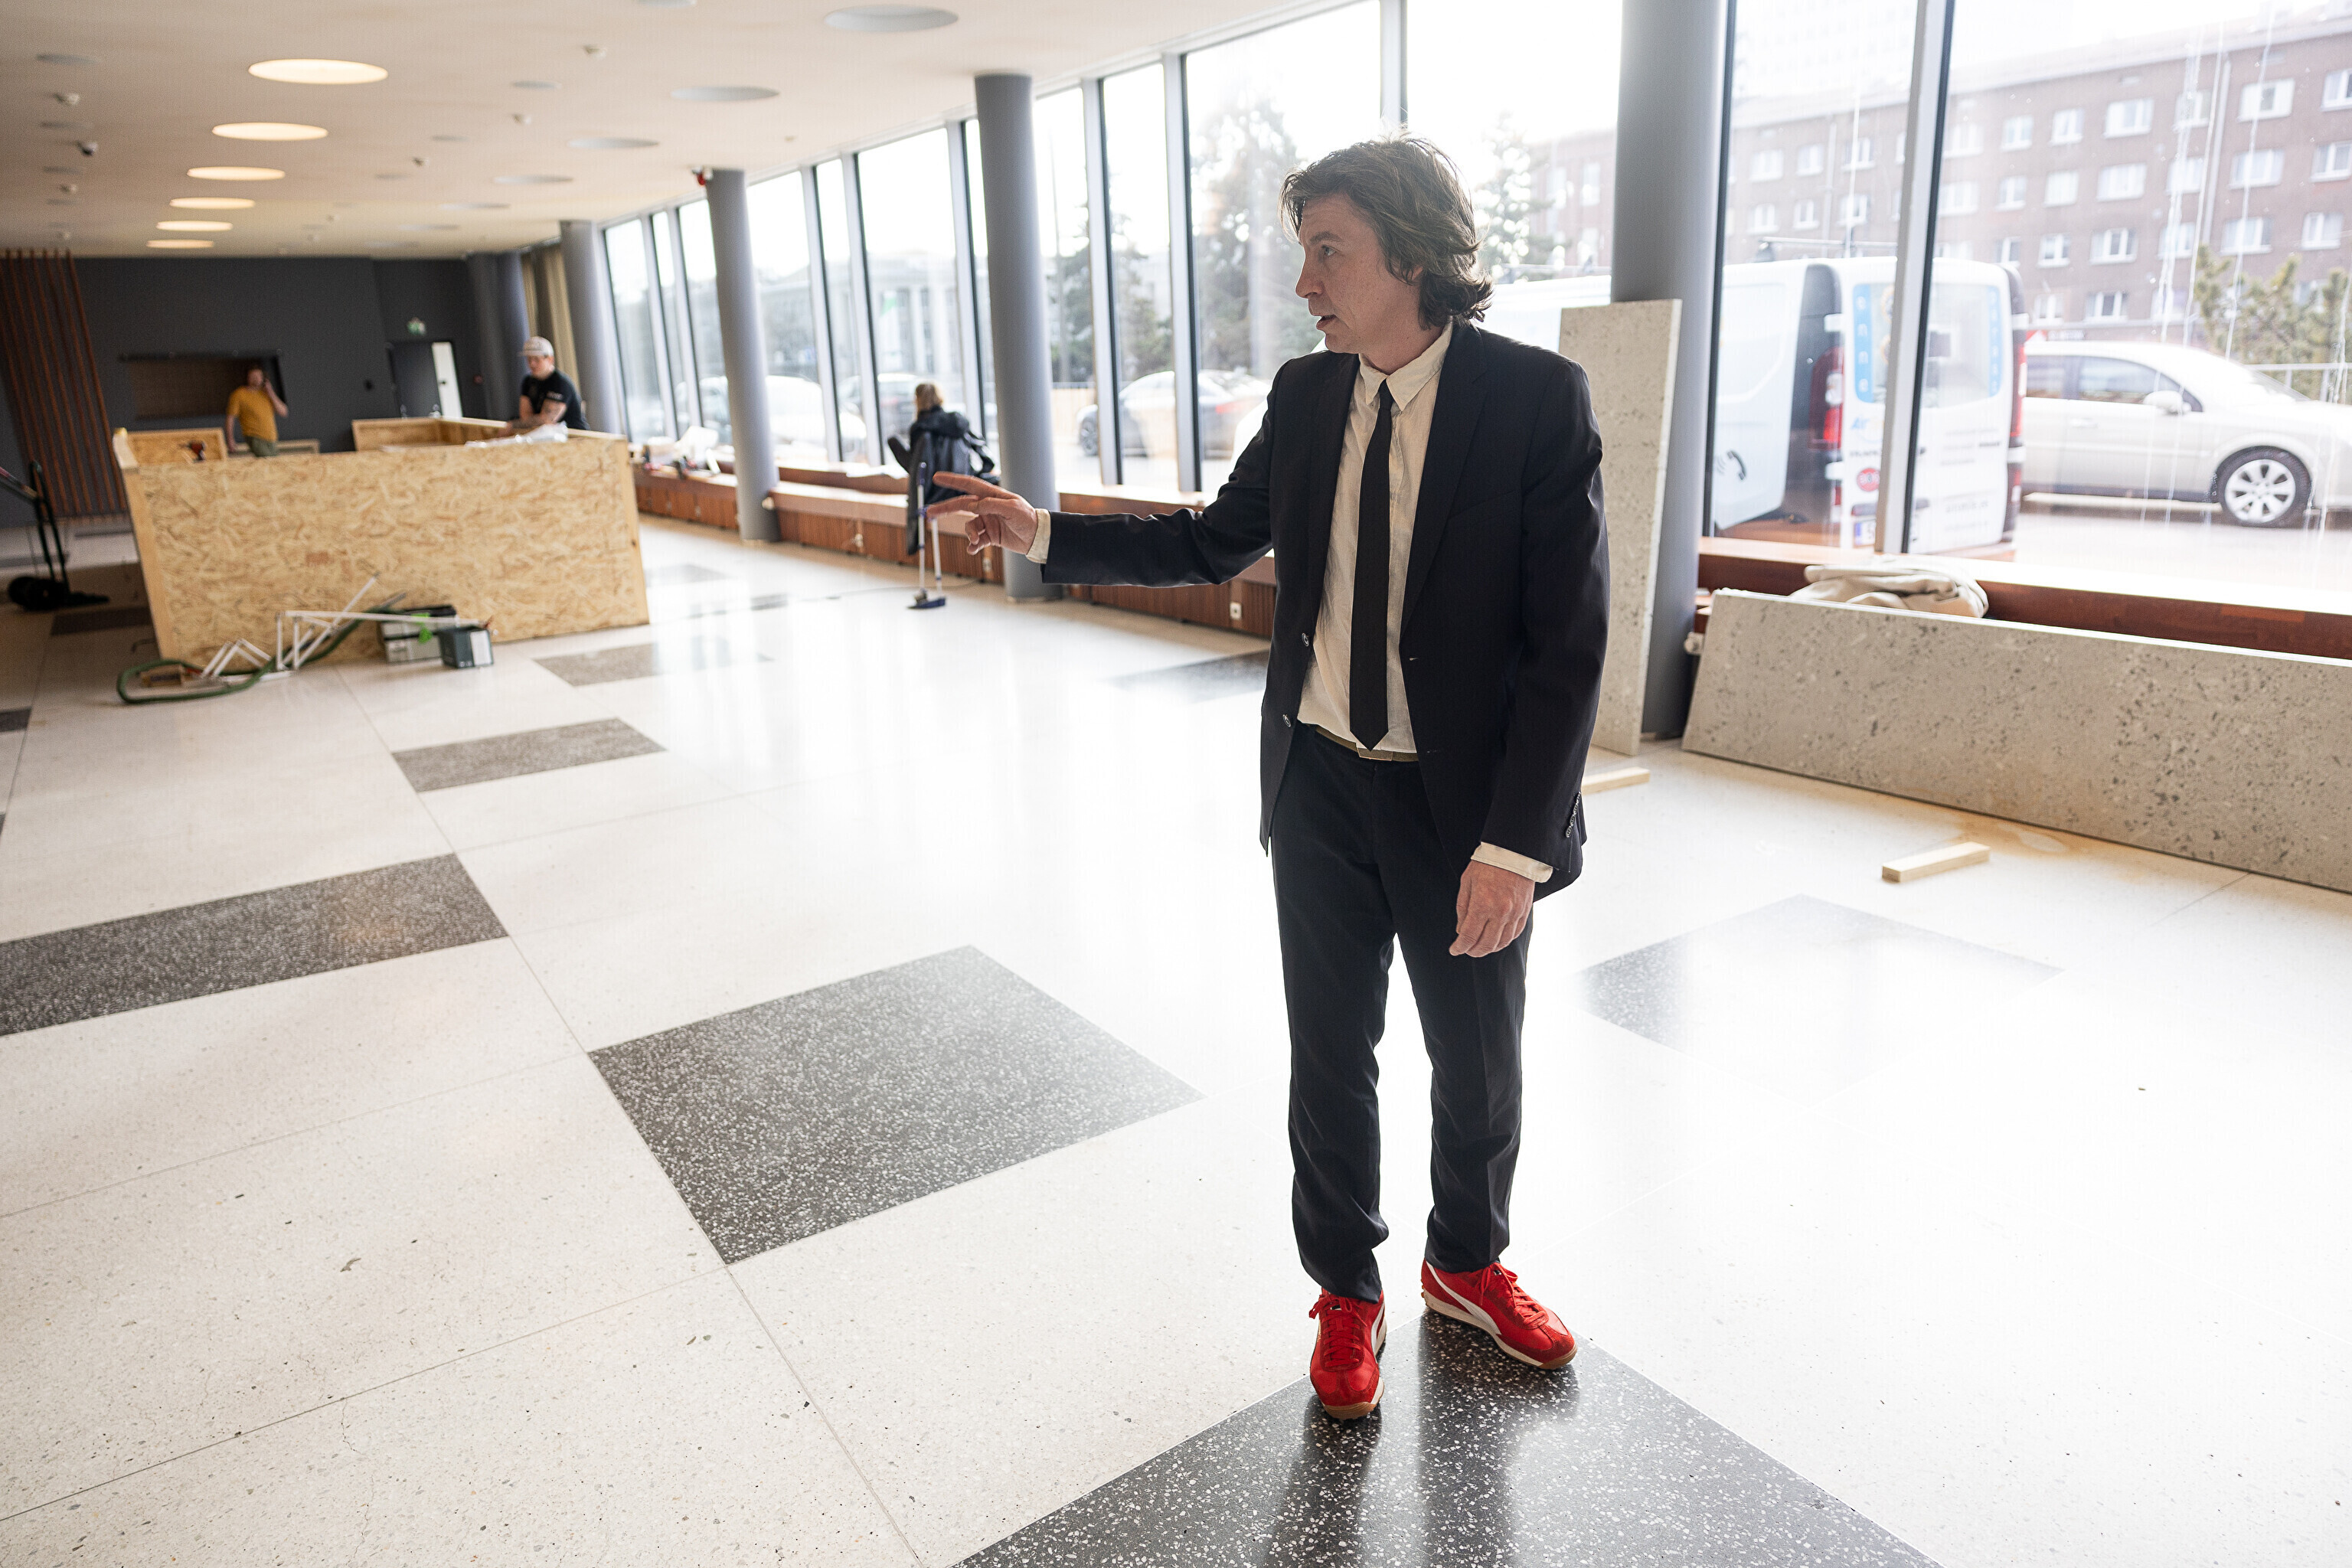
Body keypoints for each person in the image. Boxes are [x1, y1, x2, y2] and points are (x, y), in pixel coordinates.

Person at [933, 136, 1609, 1422]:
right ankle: (1345, 1287)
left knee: (1478, 1061)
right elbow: (1209, 541)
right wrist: (1041, 531)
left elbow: (1567, 646)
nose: (1306, 283)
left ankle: (1466, 1261)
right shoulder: (1306, 397)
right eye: (1305, 253)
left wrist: (1513, 847)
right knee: (1330, 1054)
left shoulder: (1534, 399)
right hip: (1318, 784)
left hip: (1462, 806)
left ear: (1411, 255)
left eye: (1327, 252)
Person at [893, 381, 992, 555]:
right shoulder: (958, 423)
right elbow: (987, 459)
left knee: (893, 442)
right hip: (963, 488)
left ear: (918, 400)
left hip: (936, 493)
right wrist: (975, 475)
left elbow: (917, 469)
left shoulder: (921, 429)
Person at [501, 336, 588, 436]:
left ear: (550, 359)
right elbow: (525, 416)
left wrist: (514, 425)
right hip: (547, 436)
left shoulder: (560, 383)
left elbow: (546, 420)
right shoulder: (528, 382)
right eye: (529, 359)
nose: (532, 364)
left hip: (575, 437)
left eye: (537, 359)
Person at [224, 366, 287, 457]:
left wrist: (271, 393)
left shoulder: (266, 394)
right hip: (254, 436)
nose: (256, 379)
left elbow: (283, 412)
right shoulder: (239, 394)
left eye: (258, 376)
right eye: (253, 376)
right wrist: (230, 439)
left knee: (273, 462)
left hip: (271, 437)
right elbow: (230, 418)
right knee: (267, 459)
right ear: (248, 378)